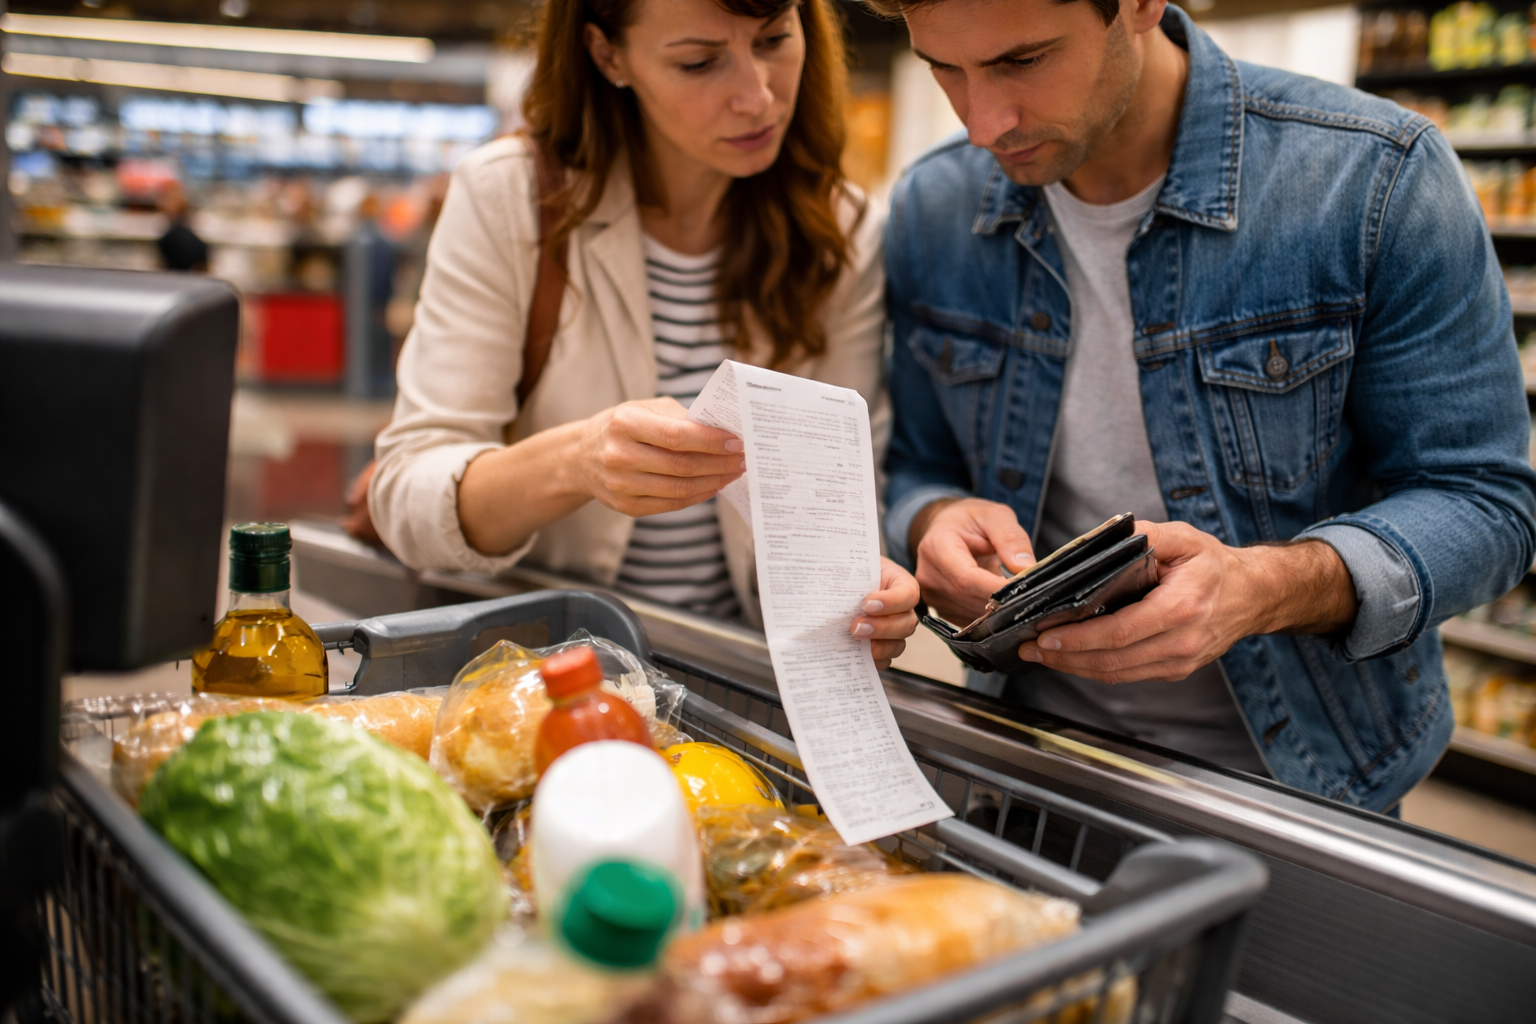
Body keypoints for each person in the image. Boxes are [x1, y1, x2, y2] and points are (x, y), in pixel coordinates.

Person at [874, 0, 1536, 809]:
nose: (983, 123)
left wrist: (1261, 589)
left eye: (1023, 61)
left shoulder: (1373, 178)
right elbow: (916, 465)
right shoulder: (932, 209)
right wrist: (930, 521)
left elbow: (1486, 504)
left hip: (1307, 787)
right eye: (943, 67)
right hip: (1032, 755)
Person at [370, 0, 919, 663]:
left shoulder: (842, 230)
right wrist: (574, 461)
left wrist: (866, 590)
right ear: (608, 55)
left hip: (741, 679)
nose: (758, 96)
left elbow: (840, 506)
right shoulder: (511, 197)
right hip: (538, 673)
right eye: (699, 62)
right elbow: (405, 498)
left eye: (775, 39)